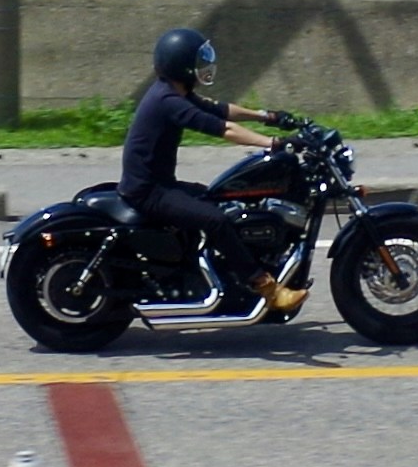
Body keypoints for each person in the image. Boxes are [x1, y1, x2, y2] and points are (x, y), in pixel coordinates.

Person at [118, 26, 291, 290]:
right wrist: (274, 143)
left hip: (157, 185)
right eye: (199, 62)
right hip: (149, 191)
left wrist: (267, 116)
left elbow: (220, 110)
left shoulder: (173, 92)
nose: (205, 66)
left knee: (218, 198)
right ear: (182, 66)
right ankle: (264, 285)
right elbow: (224, 129)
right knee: (215, 219)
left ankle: (202, 271)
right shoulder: (168, 101)